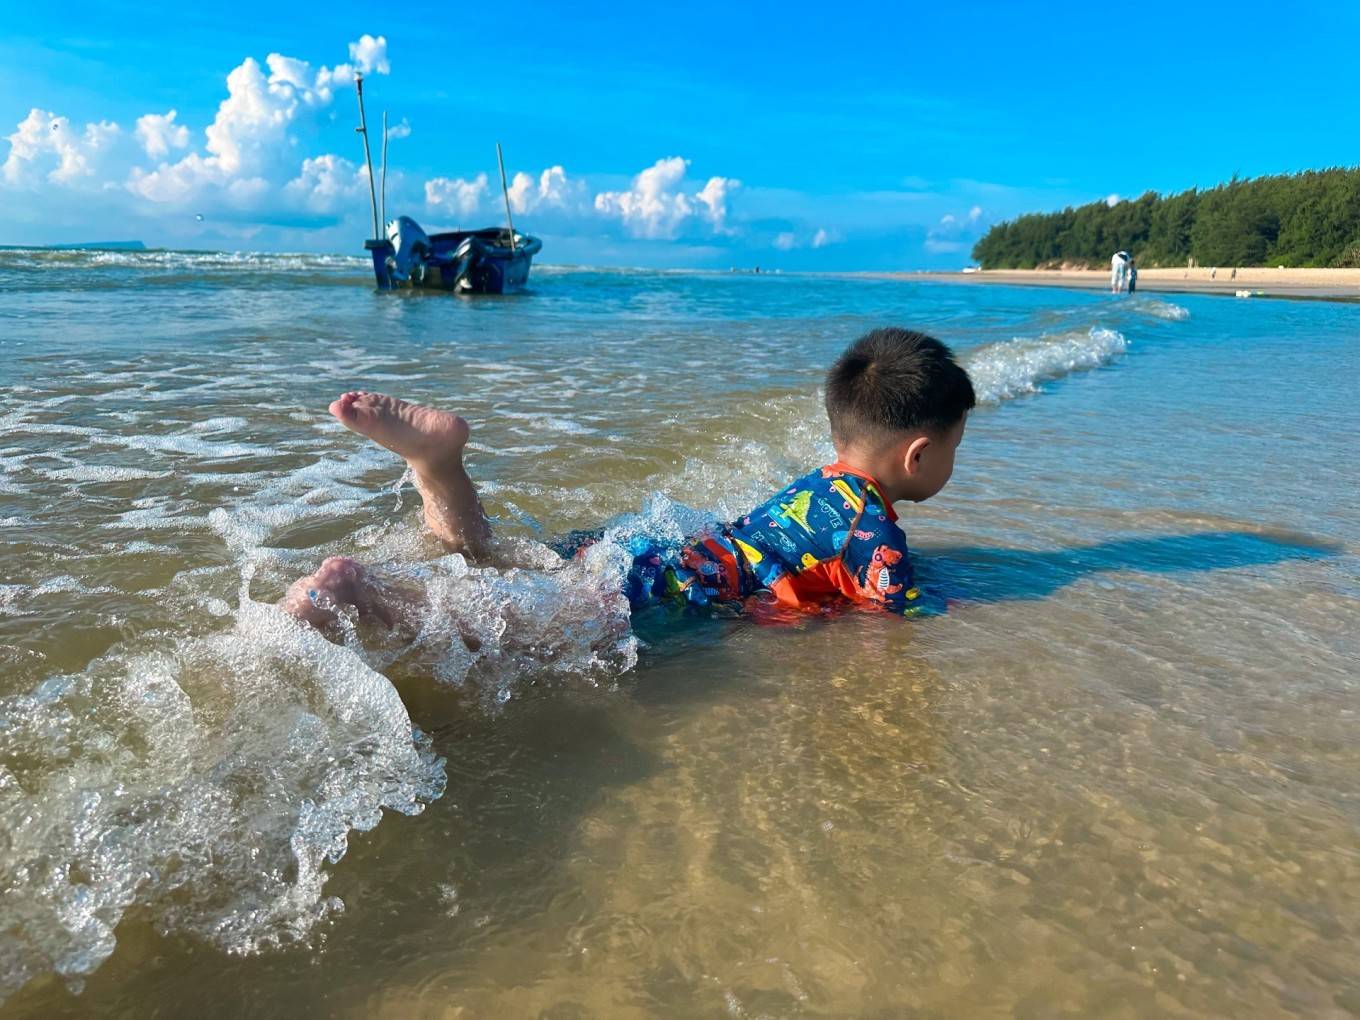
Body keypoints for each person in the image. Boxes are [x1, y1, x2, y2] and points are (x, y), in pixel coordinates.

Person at [281, 328, 976, 630]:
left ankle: (436, 463)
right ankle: (356, 594)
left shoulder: (817, 482)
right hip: (654, 591)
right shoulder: (874, 530)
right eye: (955, 447)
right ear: (917, 456)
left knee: (493, 561)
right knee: (505, 626)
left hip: (645, 548)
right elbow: (901, 613)